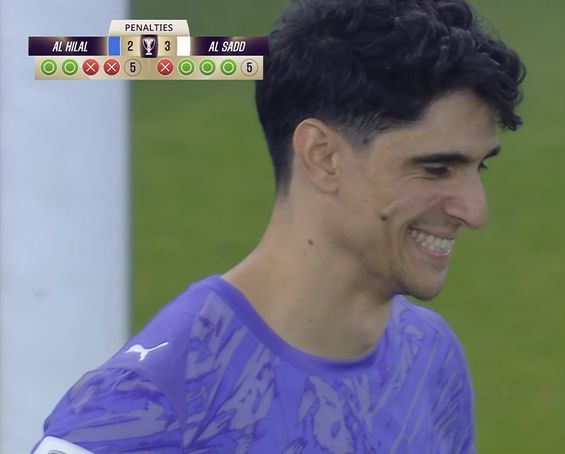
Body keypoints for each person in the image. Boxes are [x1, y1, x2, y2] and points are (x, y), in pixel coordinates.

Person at [33, 0, 525, 452]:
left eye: (477, 167)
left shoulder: (430, 359)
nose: (475, 211)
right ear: (322, 155)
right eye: (436, 169)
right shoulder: (142, 412)